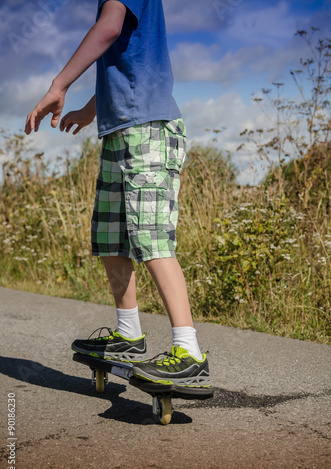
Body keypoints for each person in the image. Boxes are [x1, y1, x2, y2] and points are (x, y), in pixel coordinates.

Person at [25, 0, 210, 388]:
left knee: (152, 238)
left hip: (149, 129)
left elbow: (109, 29)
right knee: (111, 239)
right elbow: (126, 65)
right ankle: (128, 333)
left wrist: (58, 85)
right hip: (120, 130)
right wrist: (90, 111)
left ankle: (189, 351)